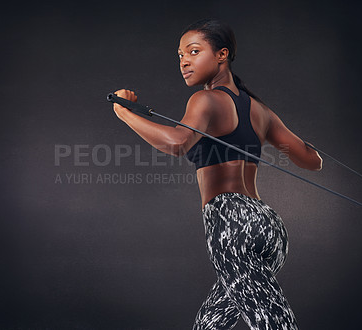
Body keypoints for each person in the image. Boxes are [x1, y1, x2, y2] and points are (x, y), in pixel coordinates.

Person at [112, 18, 322, 330]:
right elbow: (311, 161)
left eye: (194, 52)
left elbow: (178, 143)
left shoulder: (205, 99)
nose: (184, 61)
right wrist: (296, 142)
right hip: (269, 226)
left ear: (222, 54)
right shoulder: (260, 110)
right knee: (209, 324)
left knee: (271, 321)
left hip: (230, 220)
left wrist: (124, 113)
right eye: (180, 55)